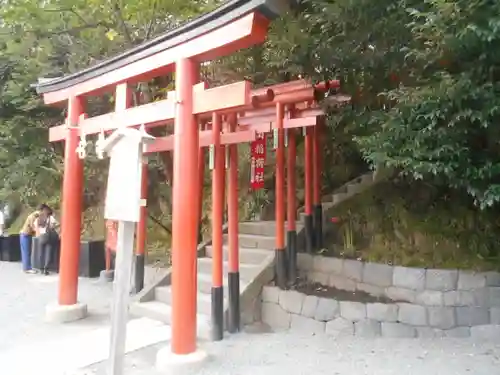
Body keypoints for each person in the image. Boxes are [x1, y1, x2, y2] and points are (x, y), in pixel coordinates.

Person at [19, 205, 46, 274]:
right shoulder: (33, 216)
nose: (43, 213)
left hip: (26, 235)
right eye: (43, 211)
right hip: (25, 235)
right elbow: (33, 227)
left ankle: (27, 267)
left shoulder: (35, 216)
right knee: (26, 252)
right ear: (41, 210)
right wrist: (40, 232)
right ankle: (27, 268)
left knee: (27, 252)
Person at [33, 207, 58, 275]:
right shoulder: (51, 218)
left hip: (41, 237)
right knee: (48, 253)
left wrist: (39, 234)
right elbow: (53, 227)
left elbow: (35, 228)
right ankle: (45, 269)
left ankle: (41, 269)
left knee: (40, 253)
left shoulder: (38, 218)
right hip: (48, 237)